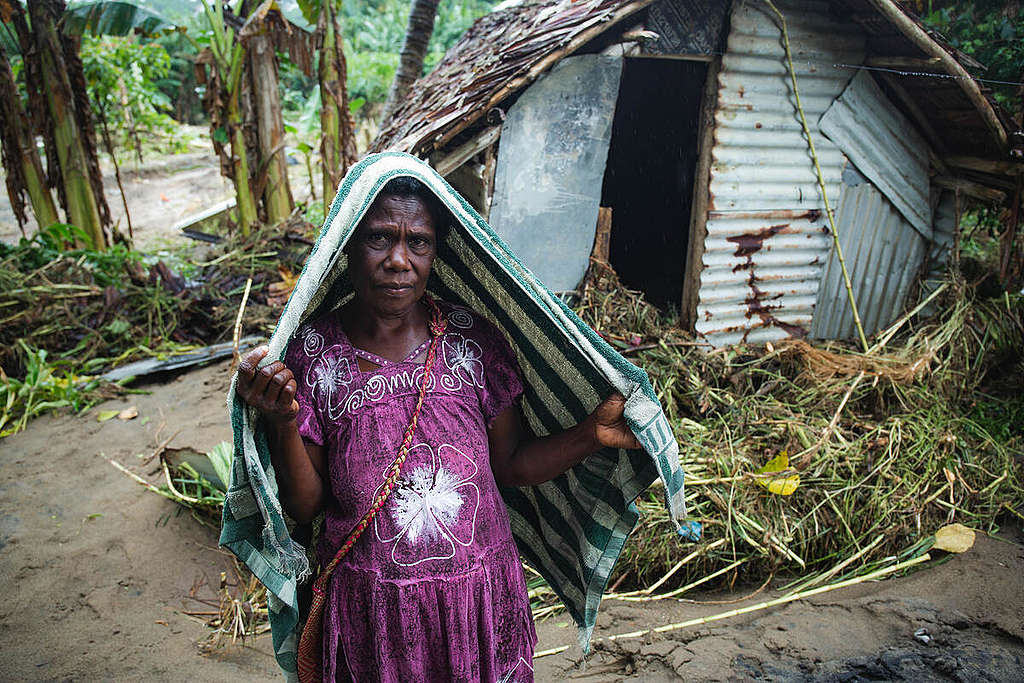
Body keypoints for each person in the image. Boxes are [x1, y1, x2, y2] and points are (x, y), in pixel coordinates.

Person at [236, 177, 640, 682]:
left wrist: (590, 435)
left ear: (436, 254)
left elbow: (510, 465)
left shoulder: (473, 342)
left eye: (418, 242)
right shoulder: (315, 357)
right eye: (379, 237)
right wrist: (283, 420)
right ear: (347, 245)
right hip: (374, 613)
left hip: (479, 602)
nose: (399, 260)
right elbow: (304, 506)